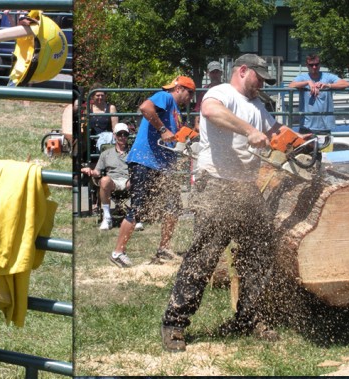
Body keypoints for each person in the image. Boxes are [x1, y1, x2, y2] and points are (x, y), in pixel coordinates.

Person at [160, 54, 282, 352]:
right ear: (243, 71)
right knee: (204, 256)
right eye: (259, 77)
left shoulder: (258, 106)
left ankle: (249, 318)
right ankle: (174, 323)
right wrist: (249, 131)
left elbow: (275, 133)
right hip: (216, 184)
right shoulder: (222, 94)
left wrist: (298, 141)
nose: (262, 83)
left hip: (246, 187)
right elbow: (211, 111)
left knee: (258, 253)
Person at [110, 76, 193, 268]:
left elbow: (174, 136)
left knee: (173, 207)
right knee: (137, 207)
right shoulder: (165, 97)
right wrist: (163, 130)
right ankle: (118, 252)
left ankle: (163, 250)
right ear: (179, 88)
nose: (190, 98)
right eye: (190, 93)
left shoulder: (176, 111)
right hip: (145, 161)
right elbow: (145, 107)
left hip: (163, 165)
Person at [81, 122, 131, 230]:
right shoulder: (106, 154)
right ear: (114, 135)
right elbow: (97, 172)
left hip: (128, 180)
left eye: (125, 134)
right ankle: (107, 217)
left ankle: (136, 216)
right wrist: (90, 170)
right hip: (112, 182)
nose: (122, 137)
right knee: (104, 180)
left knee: (138, 180)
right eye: (119, 134)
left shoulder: (133, 153)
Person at [287, 54, 349, 135]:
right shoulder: (302, 77)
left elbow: (346, 84)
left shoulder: (327, 77)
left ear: (320, 65)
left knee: (325, 148)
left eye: (316, 64)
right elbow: (290, 85)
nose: (314, 67)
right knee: (305, 147)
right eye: (311, 65)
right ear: (307, 66)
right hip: (306, 126)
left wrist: (328, 85)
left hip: (325, 126)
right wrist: (308, 82)